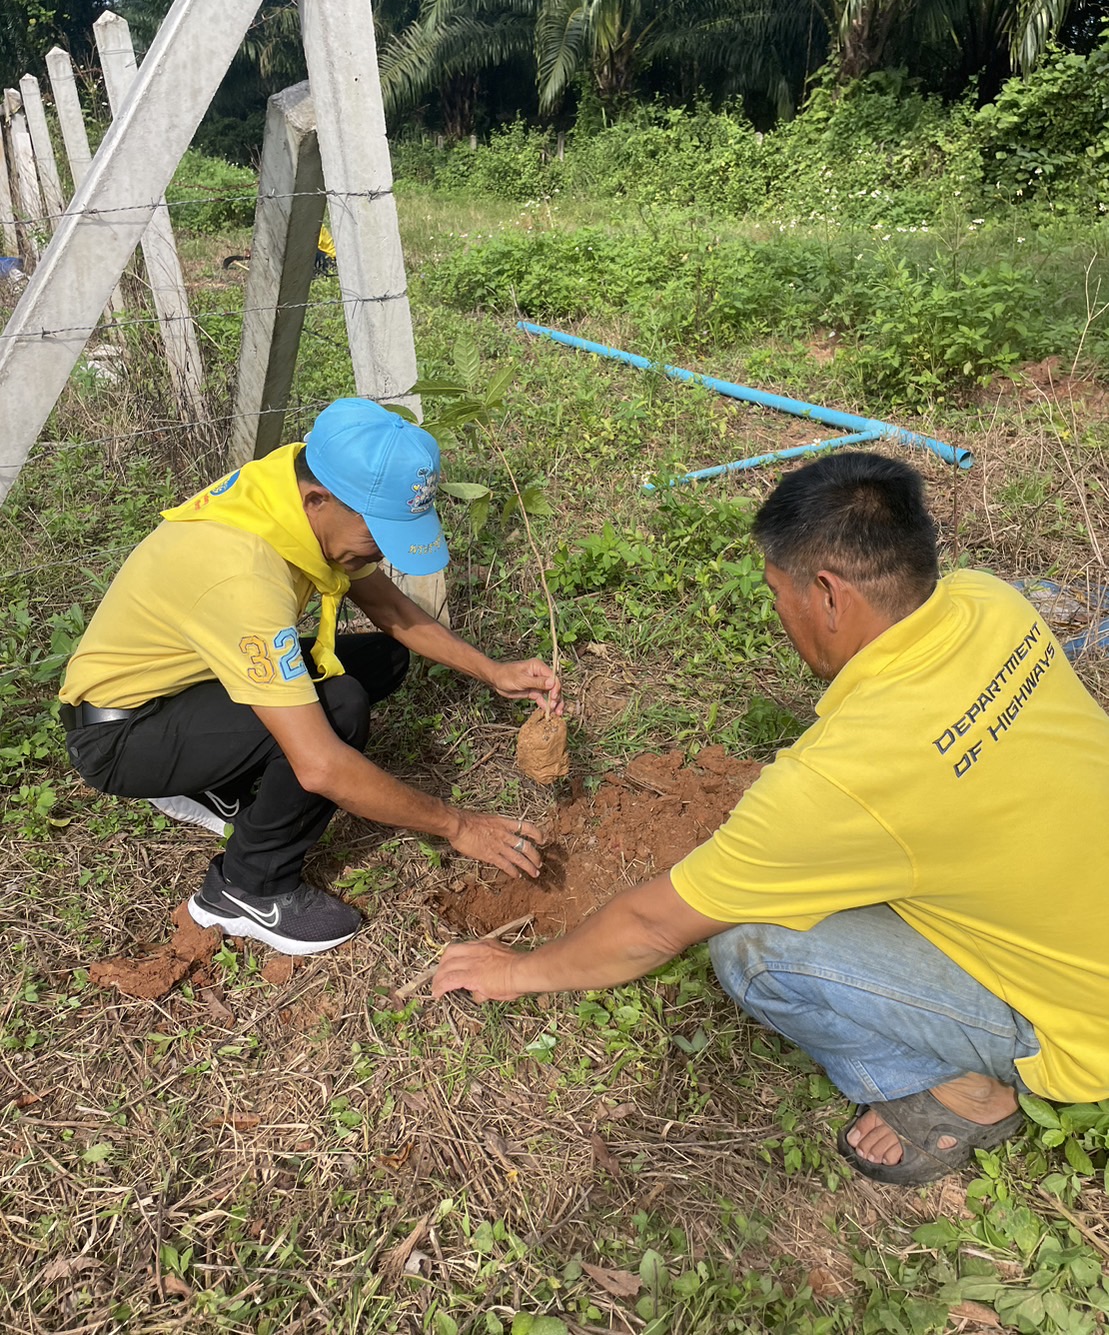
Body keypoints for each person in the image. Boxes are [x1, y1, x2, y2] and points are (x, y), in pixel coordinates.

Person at [433, 451, 1109, 1186]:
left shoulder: (839, 782)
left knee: (753, 949)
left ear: (828, 594)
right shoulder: (991, 602)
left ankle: (971, 1093)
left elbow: (651, 927)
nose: (778, 613)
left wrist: (517, 970)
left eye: (776, 592)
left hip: (1081, 1027)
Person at [60, 397, 561, 957]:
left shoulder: (293, 487)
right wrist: (458, 825)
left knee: (383, 658)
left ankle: (219, 779)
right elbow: (321, 765)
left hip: (187, 681)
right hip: (122, 734)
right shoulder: (241, 573)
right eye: (377, 535)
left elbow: (388, 607)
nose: (382, 554)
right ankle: (248, 887)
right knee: (340, 708)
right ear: (317, 500)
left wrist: (493, 671)